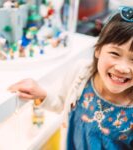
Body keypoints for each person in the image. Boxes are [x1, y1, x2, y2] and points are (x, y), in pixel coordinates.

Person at [8, 6, 133, 150]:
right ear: (98, 49)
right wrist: (42, 94)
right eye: (115, 54)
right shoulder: (80, 73)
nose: (122, 68)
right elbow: (63, 102)